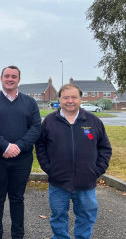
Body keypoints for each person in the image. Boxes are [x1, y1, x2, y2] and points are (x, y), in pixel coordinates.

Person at [35, 84, 112, 239]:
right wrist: (49, 168)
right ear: (60, 99)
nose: (70, 101)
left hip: (86, 182)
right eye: (66, 97)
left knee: (86, 217)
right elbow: (41, 146)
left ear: (80, 99)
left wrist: (96, 171)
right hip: (58, 182)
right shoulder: (50, 121)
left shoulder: (93, 121)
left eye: (74, 97)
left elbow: (105, 148)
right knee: (58, 218)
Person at [0, 65, 41, 239]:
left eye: (14, 76)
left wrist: (18, 147)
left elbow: (36, 127)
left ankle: (18, 235)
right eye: (7, 76)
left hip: (22, 160)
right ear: (1, 78)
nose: (10, 79)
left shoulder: (30, 102)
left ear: (19, 80)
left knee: (17, 199)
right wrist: (5, 146)